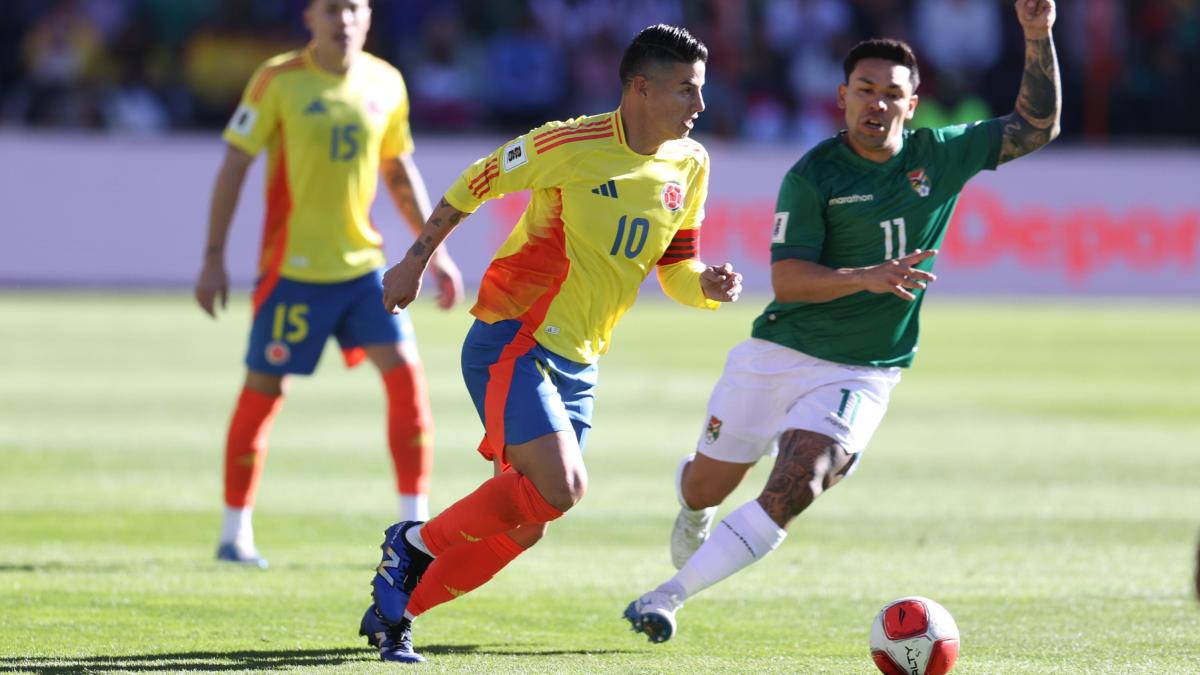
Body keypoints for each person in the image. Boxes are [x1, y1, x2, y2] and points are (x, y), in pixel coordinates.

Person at [625, 0, 1061, 643]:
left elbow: (1036, 126)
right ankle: (694, 508)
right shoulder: (814, 175)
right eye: (864, 89)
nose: (876, 103)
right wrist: (867, 277)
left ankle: (666, 597)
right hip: (778, 353)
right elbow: (788, 280)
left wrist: (1036, 33)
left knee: (799, 482)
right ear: (843, 97)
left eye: (892, 93)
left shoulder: (941, 155)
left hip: (863, 369)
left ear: (912, 105)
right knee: (705, 486)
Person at [356, 24, 743, 663]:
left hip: (580, 361)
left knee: (529, 523)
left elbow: (677, 265)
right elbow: (473, 183)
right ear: (641, 89)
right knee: (562, 488)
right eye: (686, 90)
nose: (700, 105)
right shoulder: (568, 144)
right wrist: (414, 262)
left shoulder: (690, 163)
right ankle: (412, 543)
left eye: (700, 90)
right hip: (516, 338)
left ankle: (396, 612)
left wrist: (706, 284)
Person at [194, 0, 462, 569]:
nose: (344, 19)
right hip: (293, 274)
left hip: (364, 270)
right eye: (331, 9)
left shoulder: (386, 81)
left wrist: (432, 254)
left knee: (406, 379)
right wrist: (213, 257)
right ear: (309, 18)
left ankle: (414, 532)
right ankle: (234, 532)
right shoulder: (277, 80)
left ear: (368, 17)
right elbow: (235, 164)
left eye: (354, 8)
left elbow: (398, 170)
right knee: (264, 392)